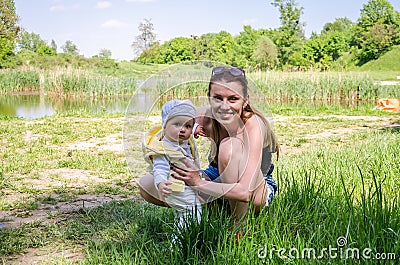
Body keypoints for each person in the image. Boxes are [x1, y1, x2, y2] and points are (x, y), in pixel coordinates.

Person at [139, 66, 278, 224]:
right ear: (209, 97)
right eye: (218, 98)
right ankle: (205, 211)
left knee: (228, 146)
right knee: (148, 185)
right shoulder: (203, 117)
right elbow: (169, 128)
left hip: (255, 188)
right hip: (216, 176)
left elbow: (244, 191)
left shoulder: (253, 125)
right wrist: (180, 160)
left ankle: (238, 225)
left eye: (233, 99)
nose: (224, 106)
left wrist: (198, 183)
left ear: (245, 100)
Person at [142, 99, 202, 228]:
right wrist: (161, 182)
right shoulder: (163, 147)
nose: (183, 130)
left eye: (188, 126)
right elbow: (160, 167)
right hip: (174, 187)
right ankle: (179, 244)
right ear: (164, 125)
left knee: (183, 213)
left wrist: (195, 129)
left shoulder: (181, 141)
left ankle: (181, 232)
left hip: (183, 185)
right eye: (177, 124)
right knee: (193, 211)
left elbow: (188, 120)